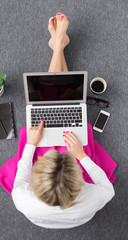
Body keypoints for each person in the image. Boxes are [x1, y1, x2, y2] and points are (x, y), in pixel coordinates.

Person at [12, 12, 115, 229]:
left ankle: (58, 45)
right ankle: (58, 44)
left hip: (54, 186)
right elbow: (108, 187)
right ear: (78, 179)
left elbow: (21, 173)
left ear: (36, 180)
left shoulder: (22, 198)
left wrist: (31, 145)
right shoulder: (94, 197)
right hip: (74, 196)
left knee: (43, 120)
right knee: (68, 113)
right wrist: (82, 156)